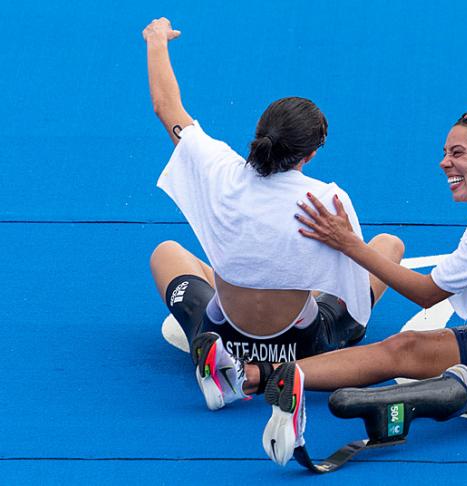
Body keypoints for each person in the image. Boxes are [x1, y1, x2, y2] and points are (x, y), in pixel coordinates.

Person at [197, 107, 467, 466]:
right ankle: (255, 377)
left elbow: (426, 293)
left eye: (458, 153)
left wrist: (348, 243)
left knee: (464, 382)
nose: (444, 162)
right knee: (404, 348)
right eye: (444, 152)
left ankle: (392, 405)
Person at [142, 18, 404, 412]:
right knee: (388, 245)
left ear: (259, 135)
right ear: (311, 153)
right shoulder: (327, 199)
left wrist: (156, 39)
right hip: (305, 343)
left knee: (166, 252)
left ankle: (216, 355)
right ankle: (280, 363)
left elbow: (167, 108)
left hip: (224, 331)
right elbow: (352, 289)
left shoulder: (217, 168)